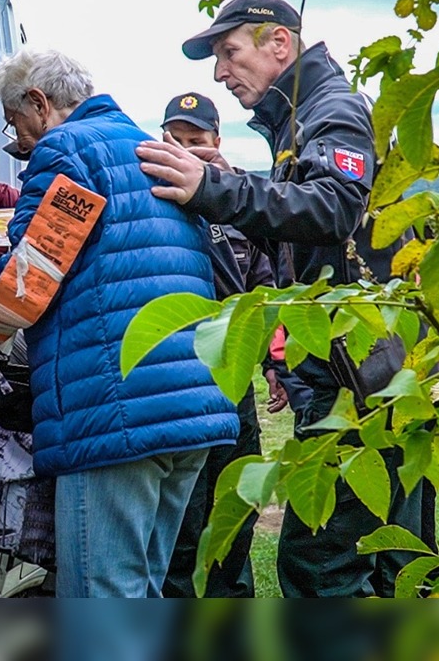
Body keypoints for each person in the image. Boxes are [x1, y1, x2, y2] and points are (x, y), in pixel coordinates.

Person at [135, 0, 418, 598]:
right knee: (371, 561)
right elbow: (308, 220)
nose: (219, 72)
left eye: (229, 53)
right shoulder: (301, 117)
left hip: (359, 384)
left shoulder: (333, 107)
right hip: (351, 374)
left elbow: (336, 207)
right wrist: (239, 179)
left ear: (279, 44)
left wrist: (214, 189)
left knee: (321, 567)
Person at [0, 49, 239, 598]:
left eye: (16, 122)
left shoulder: (67, 150)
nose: (18, 139)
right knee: (144, 590)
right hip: (189, 405)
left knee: (103, 598)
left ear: (39, 103)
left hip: (117, 415)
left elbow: (32, 277)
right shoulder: (150, 148)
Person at [157, 92, 273, 598]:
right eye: (174, 141)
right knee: (183, 521)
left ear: (218, 142)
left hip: (231, 381)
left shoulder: (242, 200)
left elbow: (268, 285)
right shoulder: (151, 195)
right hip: (178, 379)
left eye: (196, 142)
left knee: (234, 510)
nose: (185, 151)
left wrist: (275, 365)